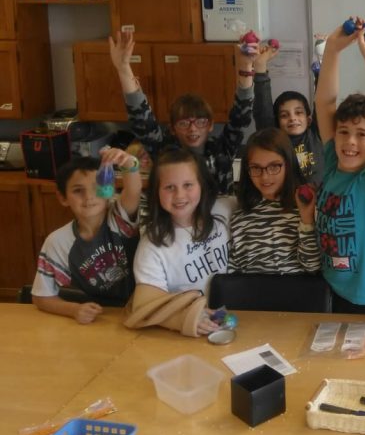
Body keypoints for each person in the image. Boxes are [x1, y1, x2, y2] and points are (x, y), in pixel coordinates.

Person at [314, 17, 365, 309]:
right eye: (344, 132)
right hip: (327, 285)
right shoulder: (331, 163)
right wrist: (332, 50)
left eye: (362, 134)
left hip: (364, 298)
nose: (350, 141)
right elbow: (325, 104)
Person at [109, 27, 255, 195]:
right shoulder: (164, 152)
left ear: (210, 125)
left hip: (218, 211)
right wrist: (123, 68)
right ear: (172, 128)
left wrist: (245, 66)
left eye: (200, 122)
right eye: (184, 123)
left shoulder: (222, 149)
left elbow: (241, 115)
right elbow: (141, 117)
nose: (193, 129)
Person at [124, 148, 231, 337]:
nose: (180, 195)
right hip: (187, 333)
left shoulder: (225, 209)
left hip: (240, 319)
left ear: (202, 185)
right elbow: (143, 306)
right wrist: (186, 319)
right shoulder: (152, 245)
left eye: (188, 185)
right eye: (169, 187)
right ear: (156, 192)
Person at [32, 150, 142, 322]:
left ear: (109, 190)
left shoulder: (120, 218)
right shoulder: (57, 242)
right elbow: (41, 297)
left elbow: (134, 189)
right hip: (102, 316)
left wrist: (128, 162)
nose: (89, 197)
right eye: (78, 190)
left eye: (97, 187)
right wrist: (74, 309)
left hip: (143, 308)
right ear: (63, 198)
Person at [228, 128, 319, 274]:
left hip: (298, 289)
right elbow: (234, 273)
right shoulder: (239, 218)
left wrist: (307, 220)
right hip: (252, 289)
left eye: (274, 166)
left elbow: (312, 267)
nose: (265, 177)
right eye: (256, 168)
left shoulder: (304, 210)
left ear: (288, 165)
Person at [253, 42, 324, 186]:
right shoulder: (274, 140)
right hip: (287, 199)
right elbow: (263, 109)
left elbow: (322, 101)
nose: (292, 118)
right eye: (284, 115)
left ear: (309, 119)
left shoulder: (317, 135)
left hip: (319, 198)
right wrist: (260, 67)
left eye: (298, 113)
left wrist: (321, 64)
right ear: (277, 122)